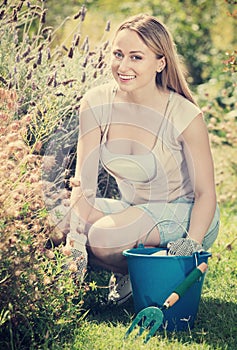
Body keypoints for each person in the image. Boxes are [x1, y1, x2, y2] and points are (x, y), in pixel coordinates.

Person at [61, 14, 220, 304]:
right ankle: (133, 273)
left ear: (161, 63)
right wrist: (74, 237)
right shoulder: (96, 102)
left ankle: (163, 274)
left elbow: (206, 193)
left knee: (103, 239)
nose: (123, 66)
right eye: (118, 55)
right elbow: (83, 182)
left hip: (185, 215)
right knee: (55, 222)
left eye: (136, 57)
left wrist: (192, 244)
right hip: (134, 208)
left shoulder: (184, 115)